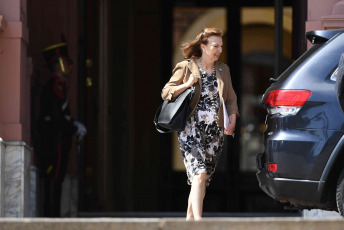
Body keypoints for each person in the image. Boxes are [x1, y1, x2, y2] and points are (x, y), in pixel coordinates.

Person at [161, 28, 239, 220]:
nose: (219, 50)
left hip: (215, 133)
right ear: (203, 47)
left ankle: (189, 221)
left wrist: (233, 120)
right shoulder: (186, 67)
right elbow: (166, 92)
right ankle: (199, 223)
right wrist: (187, 85)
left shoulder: (224, 70)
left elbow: (230, 99)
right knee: (199, 174)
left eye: (221, 46)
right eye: (215, 46)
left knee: (201, 181)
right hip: (190, 130)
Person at [36, 42, 87, 217]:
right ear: (59, 63)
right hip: (53, 140)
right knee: (53, 179)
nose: (71, 66)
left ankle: (53, 217)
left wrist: (73, 125)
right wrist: (73, 127)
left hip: (58, 139)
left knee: (57, 179)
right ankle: (51, 218)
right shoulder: (55, 86)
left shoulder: (60, 85)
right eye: (67, 62)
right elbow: (56, 117)